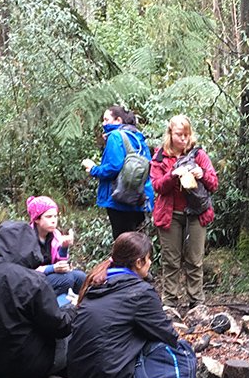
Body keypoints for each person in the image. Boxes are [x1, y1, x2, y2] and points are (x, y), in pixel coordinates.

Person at [66, 232, 181, 378]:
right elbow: (169, 336)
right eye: (149, 259)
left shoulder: (97, 283)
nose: (150, 263)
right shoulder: (140, 292)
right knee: (161, 345)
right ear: (139, 262)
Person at [0, 221, 74, 378]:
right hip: (31, 366)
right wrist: (75, 309)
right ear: (29, 245)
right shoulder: (32, 281)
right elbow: (60, 327)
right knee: (73, 328)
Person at [150, 114, 219, 308]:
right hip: (170, 214)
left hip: (196, 214)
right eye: (179, 134)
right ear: (170, 134)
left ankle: (196, 302)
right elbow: (157, 186)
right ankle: (170, 302)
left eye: (187, 135)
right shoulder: (160, 157)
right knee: (170, 261)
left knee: (194, 260)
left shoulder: (199, 155)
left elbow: (214, 184)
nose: (184, 139)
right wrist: (173, 175)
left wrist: (202, 174)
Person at [81, 106, 155, 239]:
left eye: (106, 119)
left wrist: (93, 169)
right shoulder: (138, 137)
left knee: (123, 243)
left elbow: (113, 167)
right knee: (137, 241)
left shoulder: (115, 136)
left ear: (118, 120)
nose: (103, 123)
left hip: (119, 198)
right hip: (138, 197)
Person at [26, 195, 86, 301]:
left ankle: (86, 306)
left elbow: (59, 262)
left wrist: (64, 247)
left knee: (80, 277)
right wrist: (52, 268)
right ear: (36, 219)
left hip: (51, 276)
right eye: (49, 217)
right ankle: (48, 307)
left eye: (55, 216)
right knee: (66, 280)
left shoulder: (55, 234)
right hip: (31, 280)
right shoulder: (27, 238)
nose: (53, 220)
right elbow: (27, 270)